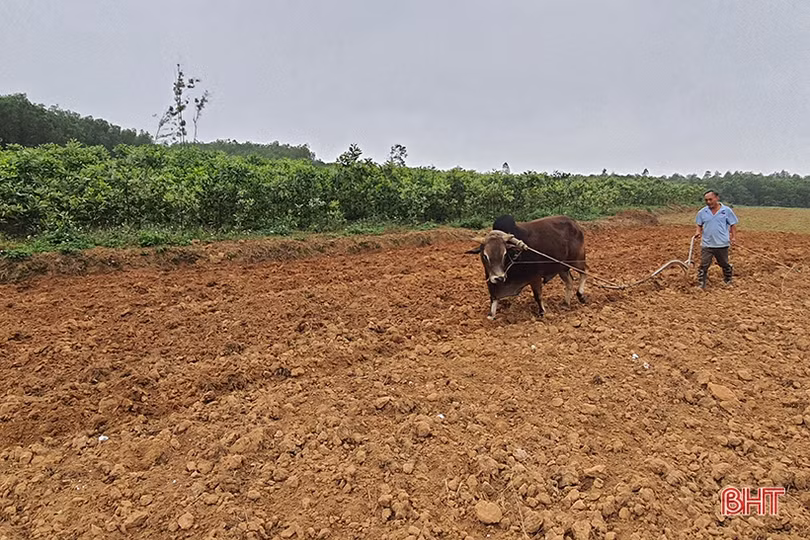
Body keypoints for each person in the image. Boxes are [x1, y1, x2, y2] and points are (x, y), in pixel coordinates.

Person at [694, 190, 738, 288]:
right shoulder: (702, 212)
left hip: (722, 243)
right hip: (707, 243)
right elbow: (699, 224)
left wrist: (734, 237)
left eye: (710, 199)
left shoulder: (726, 211)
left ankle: (728, 280)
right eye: (706, 200)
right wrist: (698, 232)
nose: (708, 202)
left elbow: (733, 225)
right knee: (704, 265)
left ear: (717, 198)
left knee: (723, 263)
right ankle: (701, 284)